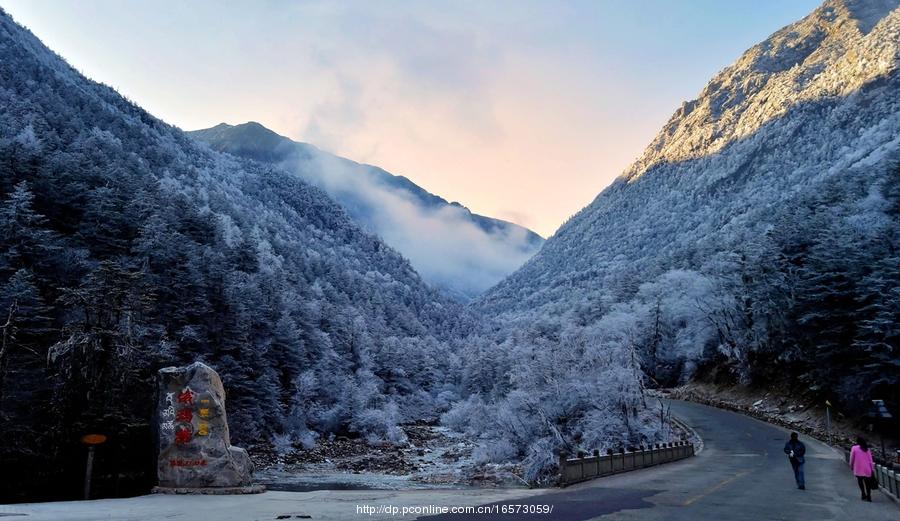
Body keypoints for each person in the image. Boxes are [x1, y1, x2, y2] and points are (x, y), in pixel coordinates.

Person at [849, 437, 875, 502]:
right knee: (867, 484)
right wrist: (872, 469)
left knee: (860, 482)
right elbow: (870, 460)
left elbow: (852, 458)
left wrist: (851, 466)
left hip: (858, 468)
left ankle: (863, 494)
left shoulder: (854, 448)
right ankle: (869, 496)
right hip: (867, 469)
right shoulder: (867, 449)